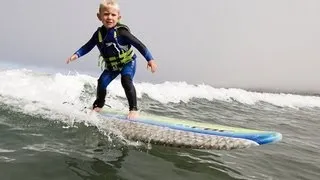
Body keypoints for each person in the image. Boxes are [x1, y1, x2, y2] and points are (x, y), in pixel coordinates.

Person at [66, 0, 157, 119]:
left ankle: (133, 109)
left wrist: (150, 59)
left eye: (113, 15)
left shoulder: (122, 32)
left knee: (126, 80)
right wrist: (76, 54)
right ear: (99, 16)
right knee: (101, 82)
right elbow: (88, 46)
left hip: (127, 62)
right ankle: (99, 105)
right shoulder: (98, 34)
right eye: (106, 14)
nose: (109, 17)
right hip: (112, 66)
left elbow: (139, 45)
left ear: (119, 17)